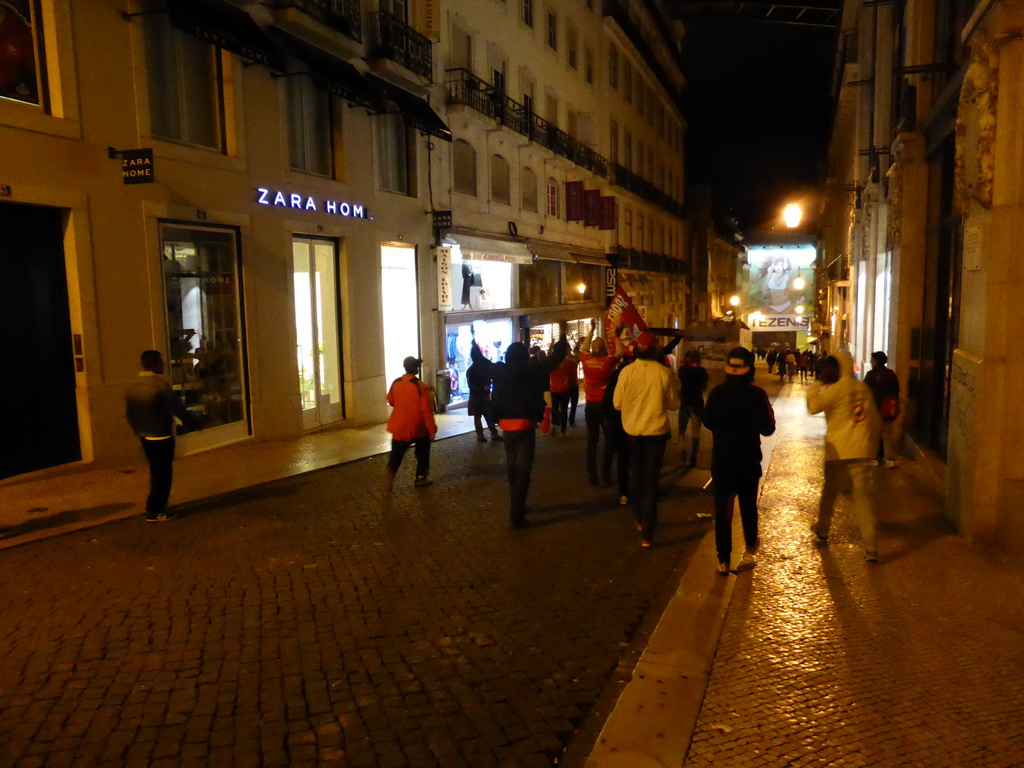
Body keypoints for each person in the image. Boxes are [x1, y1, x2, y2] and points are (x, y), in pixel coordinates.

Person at [472, 329, 568, 528]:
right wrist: (562, 339)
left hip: (507, 426)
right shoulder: (534, 369)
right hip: (526, 425)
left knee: (513, 464)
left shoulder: (500, 370)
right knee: (524, 468)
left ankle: (516, 503)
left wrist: (474, 342)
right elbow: (555, 359)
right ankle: (517, 513)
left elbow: (480, 362)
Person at [702, 347, 776, 574]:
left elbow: (708, 421)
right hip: (748, 458)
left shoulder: (717, 393)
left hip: (723, 459)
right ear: (750, 369)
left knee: (723, 510)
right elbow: (768, 429)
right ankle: (750, 549)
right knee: (747, 506)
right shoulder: (757, 395)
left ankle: (723, 559)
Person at [807, 351, 883, 562]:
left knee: (829, 493)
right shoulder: (862, 388)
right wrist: (872, 448)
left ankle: (823, 530)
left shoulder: (836, 389)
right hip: (861, 451)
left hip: (838, 452)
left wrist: (816, 384)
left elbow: (813, 407)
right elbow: (875, 421)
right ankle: (871, 547)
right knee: (862, 499)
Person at [613, 331, 681, 548]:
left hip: (632, 433)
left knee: (636, 477)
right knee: (651, 482)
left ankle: (640, 520)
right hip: (656, 433)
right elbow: (673, 404)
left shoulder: (626, 372)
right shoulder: (664, 373)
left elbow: (617, 403)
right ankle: (647, 534)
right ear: (655, 351)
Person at [125, 349, 202, 522]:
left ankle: (155, 506)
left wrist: (137, 432)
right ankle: (156, 509)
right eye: (161, 362)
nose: (164, 365)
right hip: (161, 434)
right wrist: (195, 422)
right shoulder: (160, 387)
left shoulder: (133, 386)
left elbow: (130, 414)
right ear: (154, 364)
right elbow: (177, 409)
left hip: (145, 436)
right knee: (163, 473)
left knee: (155, 471)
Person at [384, 356, 438, 491]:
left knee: (397, 453)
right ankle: (421, 476)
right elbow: (426, 410)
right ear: (416, 369)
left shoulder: (396, 382)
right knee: (422, 452)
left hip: (399, 426)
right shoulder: (421, 386)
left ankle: (390, 472)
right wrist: (431, 429)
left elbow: (390, 400)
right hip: (417, 427)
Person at [579, 323, 619, 485]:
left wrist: (591, 330)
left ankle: (592, 475)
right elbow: (620, 352)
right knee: (609, 440)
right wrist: (616, 335)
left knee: (592, 440)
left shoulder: (586, 360)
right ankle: (605, 472)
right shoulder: (608, 362)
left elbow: (584, 347)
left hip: (590, 405)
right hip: (605, 405)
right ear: (603, 350)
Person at [864, 350, 900, 467]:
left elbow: (865, 391)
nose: (871, 361)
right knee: (887, 435)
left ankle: (874, 458)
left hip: (874, 408)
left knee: (874, 435)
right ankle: (890, 459)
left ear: (876, 361)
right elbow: (897, 389)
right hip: (888, 408)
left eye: (872, 359)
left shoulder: (870, 374)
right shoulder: (891, 373)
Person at [677, 349, 710, 467]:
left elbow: (679, 382)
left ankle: (683, 450)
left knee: (682, 430)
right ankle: (693, 457)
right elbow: (704, 388)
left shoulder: (682, 370)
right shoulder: (702, 372)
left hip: (685, 403)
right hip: (697, 404)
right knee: (696, 432)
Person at [548, 337, 581, 436]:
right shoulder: (568, 362)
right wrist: (578, 347)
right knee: (564, 409)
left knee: (555, 408)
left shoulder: (551, 361)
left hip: (554, 388)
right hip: (565, 388)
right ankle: (563, 430)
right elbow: (577, 360)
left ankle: (554, 425)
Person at [466, 358, 501, 443]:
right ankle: (490, 434)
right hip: (479, 396)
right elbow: (471, 385)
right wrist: (484, 388)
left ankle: (483, 435)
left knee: (481, 416)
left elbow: (471, 385)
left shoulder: (471, 370)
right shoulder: (478, 370)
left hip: (478, 396)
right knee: (484, 416)